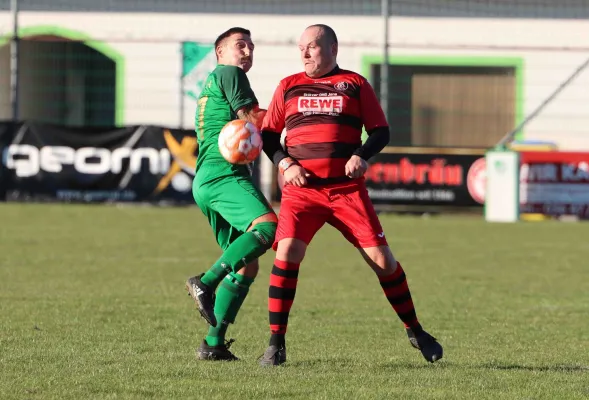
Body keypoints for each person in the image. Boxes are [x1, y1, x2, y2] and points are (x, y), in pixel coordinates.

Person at [258, 24, 443, 366]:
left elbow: (381, 131)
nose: (305, 53)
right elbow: (269, 136)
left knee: (384, 262)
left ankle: (416, 331)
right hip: (303, 192)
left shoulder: (355, 84)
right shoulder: (288, 86)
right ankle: (276, 343)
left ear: (332, 48)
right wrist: (285, 163)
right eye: (301, 47)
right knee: (286, 254)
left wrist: (362, 154)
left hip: (346, 192)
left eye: (312, 46)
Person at [185, 27, 278, 361]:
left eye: (252, 45)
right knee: (268, 227)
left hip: (207, 180)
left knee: (246, 267)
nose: (248, 50)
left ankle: (213, 343)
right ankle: (205, 283)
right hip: (225, 175)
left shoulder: (216, 81)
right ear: (219, 52)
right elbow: (252, 118)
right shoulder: (229, 72)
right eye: (240, 45)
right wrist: (296, 117)